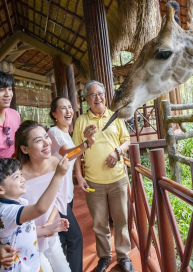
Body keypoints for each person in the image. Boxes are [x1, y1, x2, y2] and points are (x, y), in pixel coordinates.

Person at [73, 80, 133, 272]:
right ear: (86, 99)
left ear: (105, 96)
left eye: (100, 94)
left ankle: (124, 257)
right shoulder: (81, 121)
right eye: (92, 95)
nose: (97, 98)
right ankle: (104, 257)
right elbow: (75, 152)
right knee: (99, 223)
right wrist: (79, 177)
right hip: (93, 182)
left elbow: (127, 141)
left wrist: (118, 153)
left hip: (117, 179)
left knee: (121, 220)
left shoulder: (115, 117)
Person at [48, 96, 98, 272]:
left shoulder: (66, 135)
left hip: (66, 194)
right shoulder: (53, 132)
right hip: (57, 197)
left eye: (70, 107)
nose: (68, 111)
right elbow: (67, 154)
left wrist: (79, 174)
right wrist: (85, 144)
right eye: (63, 108)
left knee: (62, 239)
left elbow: (73, 156)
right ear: (54, 114)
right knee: (75, 238)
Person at [14, 120, 71, 272]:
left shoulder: (56, 164)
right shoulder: (16, 176)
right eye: (39, 140)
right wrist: (41, 229)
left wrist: (50, 224)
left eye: (46, 136)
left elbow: (60, 197)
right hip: (28, 238)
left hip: (50, 231)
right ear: (25, 149)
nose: (46, 143)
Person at [0, 157, 70, 272]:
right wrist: (58, 175)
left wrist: (49, 229)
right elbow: (40, 208)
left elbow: (26, 230)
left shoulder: (21, 201)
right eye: (16, 177)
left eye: (21, 174)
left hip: (32, 266)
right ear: (1, 190)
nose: (22, 179)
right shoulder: (6, 211)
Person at [0, 70, 20, 158]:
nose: (8, 94)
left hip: (15, 168)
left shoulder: (15, 115)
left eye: (10, 89)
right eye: (1, 90)